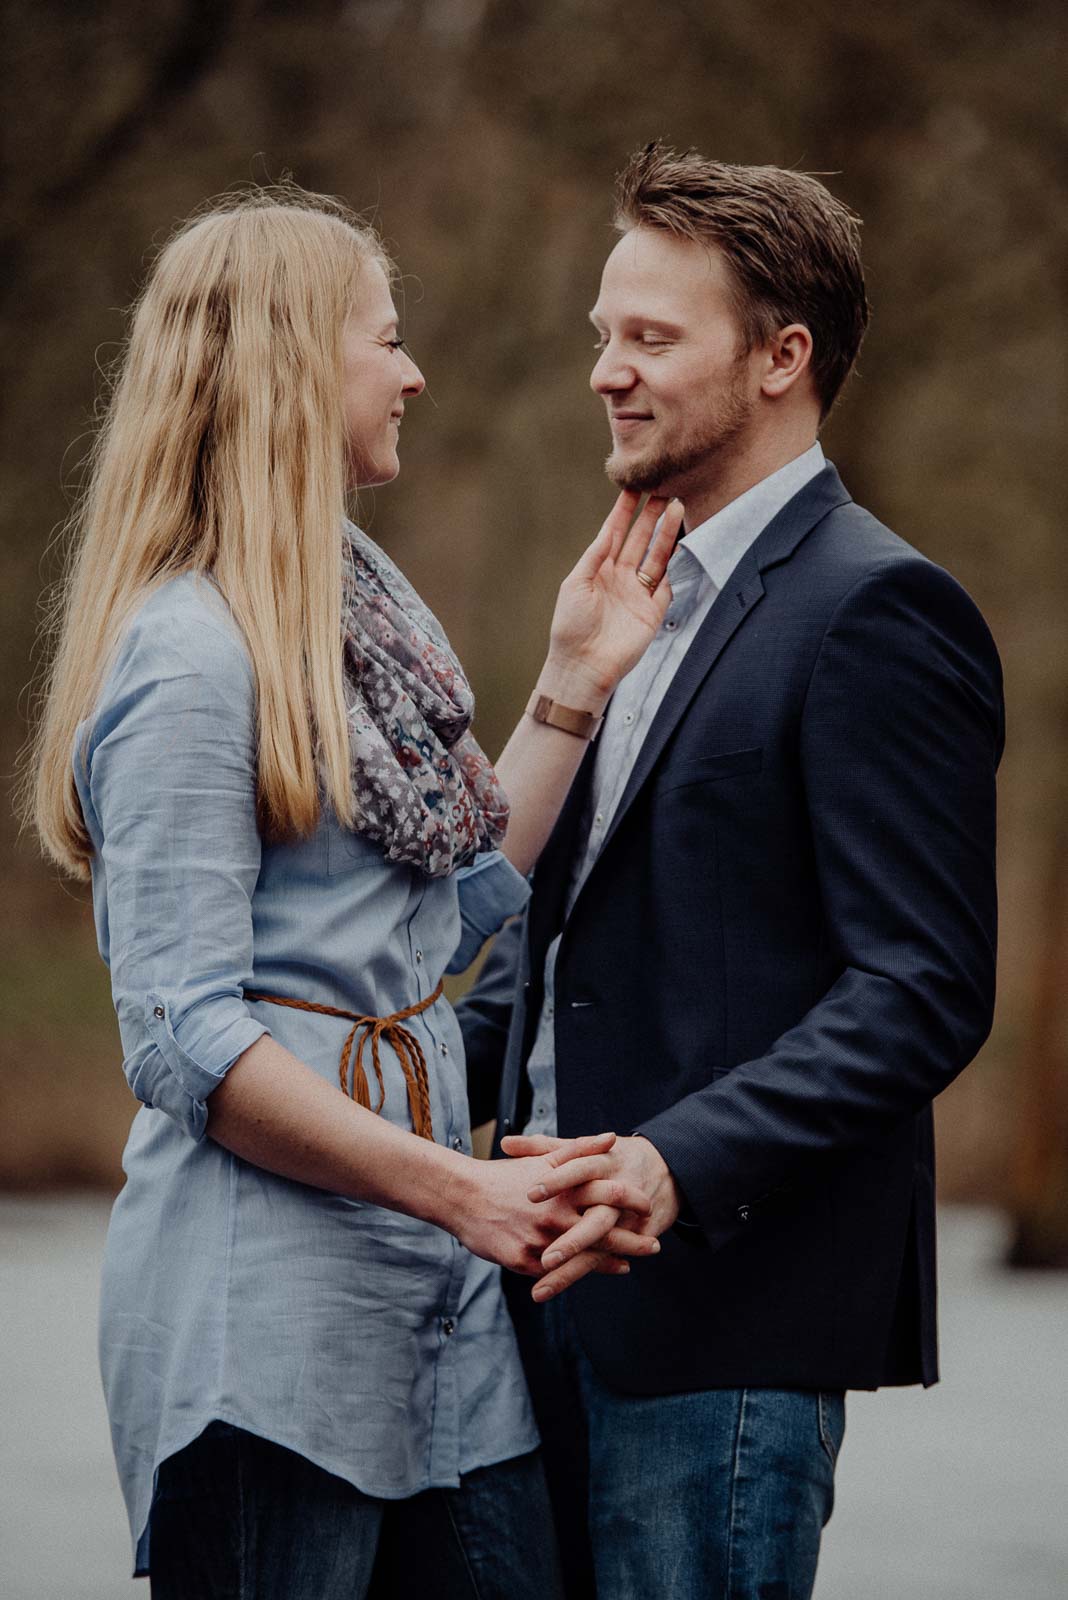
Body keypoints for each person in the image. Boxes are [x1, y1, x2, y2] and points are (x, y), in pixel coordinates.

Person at [24, 185, 684, 1598]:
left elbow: (429, 935)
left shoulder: (369, 626)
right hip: (263, 1331)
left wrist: (570, 687)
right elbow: (182, 1036)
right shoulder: (191, 658)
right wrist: (458, 1193)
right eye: (383, 339)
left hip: (436, 1315)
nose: (413, 370)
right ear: (287, 365)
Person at [457, 144, 1005, 1599]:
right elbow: (547, 943)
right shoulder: (630, 597)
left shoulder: (880, 611)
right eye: (599, 337)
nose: (604, 374)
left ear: (782, 357)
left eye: (649, 338)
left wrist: (673, 1164)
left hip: (724, 1329)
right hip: (523, 1302)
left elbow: (922, 989)